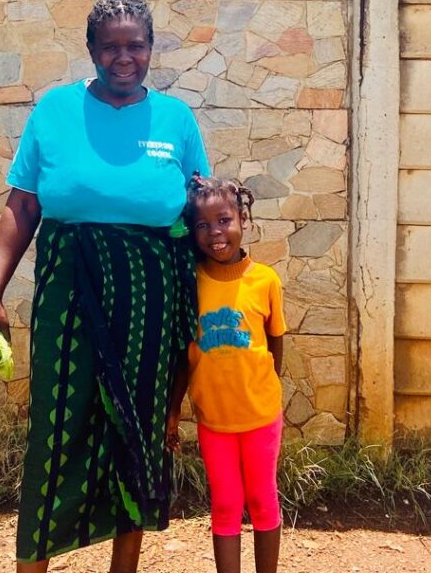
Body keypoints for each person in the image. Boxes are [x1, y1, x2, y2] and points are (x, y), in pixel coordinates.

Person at [0, 0, 210, 573]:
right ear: (92, 51)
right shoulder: (54, 111)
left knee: (138, 434)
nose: (124, 57)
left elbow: (203, 212)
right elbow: (24, 206)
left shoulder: (177, 120)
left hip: (151, 301)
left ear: (151, 49)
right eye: (111, 46)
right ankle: (34, 563)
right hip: (68, 292)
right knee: (56, 429)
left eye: (136, 46)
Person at [166, 175, 286, 573]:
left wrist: (265, 390)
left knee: (263, 499)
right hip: (213, 420)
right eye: (202, 225)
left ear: (243, 221)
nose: (215, 232)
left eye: (224, 220)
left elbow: (275, 343)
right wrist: (174, 411)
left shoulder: (265, 280)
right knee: (225, 504)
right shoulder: (192, 283)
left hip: (260, 416)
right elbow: (186, 356)